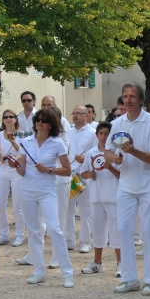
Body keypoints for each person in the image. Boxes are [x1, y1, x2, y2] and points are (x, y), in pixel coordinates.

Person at [105, 83, 150, 296]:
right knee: (123, 230)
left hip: (148, 186)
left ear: (140, 100)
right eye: (125, 96)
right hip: (126, 185)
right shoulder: (117, 123)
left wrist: (133, 151)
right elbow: (107, 153)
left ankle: (149, 280)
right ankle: (129, 279)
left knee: (148, 232)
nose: (127, 100)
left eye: (132, 96)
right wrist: (115, 157)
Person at [16, 108, 75, 288]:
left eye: (43, 120)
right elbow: (22, 170)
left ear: (51, 125)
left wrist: (49, 169)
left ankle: (67, 273)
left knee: (54, 229)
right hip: (27, 190)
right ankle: (39, 271)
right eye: (37, 119)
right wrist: (16, 165)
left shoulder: (57, 143)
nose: (39, 122)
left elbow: (67, 170)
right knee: (33, 231)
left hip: (48, 190)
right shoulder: (26, 142)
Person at [79, 121, 122, 276]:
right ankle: (97, 262)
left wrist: (110, 167)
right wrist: (89, 174)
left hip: (114, 196)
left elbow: (122, 175)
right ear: (96, 135)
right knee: (97, 230)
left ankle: (121, 263)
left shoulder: (117, 153)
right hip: (96, 197)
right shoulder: (91, 153)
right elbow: (83, 172)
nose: (104, 137)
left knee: (116, 230)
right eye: (101, 134)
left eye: (106, 134)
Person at [66, 105, 97, 253]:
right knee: (68, 210)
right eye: (74, 113)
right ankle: (69, 240)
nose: (75, 116)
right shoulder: (68, 132)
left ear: (86, 115)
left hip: (85, 175)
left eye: (79, 113)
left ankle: (85, 241)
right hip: (70, 175)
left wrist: (85, 159)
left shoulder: (92, 133)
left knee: (86, 210)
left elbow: (98, 154)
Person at [0, 110, 25, 246]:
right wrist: (0, 155)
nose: (8, 119)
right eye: (5, 117)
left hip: (16, 172)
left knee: (17, 205)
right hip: (3, 171)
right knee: (0, 205)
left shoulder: (22, 135)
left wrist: (13, 141)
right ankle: (4, 234)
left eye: (11, 117)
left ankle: (19, 235)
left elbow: (23, 153)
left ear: (15, 119)